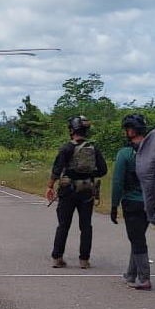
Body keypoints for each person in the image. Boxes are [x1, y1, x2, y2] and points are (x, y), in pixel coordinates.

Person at [45, 115, 108, 269]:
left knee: (63, 225)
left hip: (67, 191)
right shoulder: (93, 149)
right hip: (86, 191)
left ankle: (57, 257)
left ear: (72, 130)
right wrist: (88, 175)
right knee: (86, 226)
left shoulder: (67, 148)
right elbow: (103, 170)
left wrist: (50, 186)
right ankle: (84, 260)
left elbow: (57, 169)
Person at [110, 114, 151, 290]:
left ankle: (144, 277)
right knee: (137, 236)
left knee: (137, 238)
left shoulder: (125, 154)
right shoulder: (154, 153)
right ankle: (131, 274)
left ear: (131, 130)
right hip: (150, 202)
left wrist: (113, 204)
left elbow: (118, 182)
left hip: (132, 202)